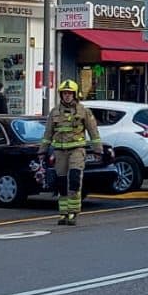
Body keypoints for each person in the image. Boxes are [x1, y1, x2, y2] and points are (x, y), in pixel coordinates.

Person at [42, 80, 103, 226]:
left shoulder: (83, 111)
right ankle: (63, 213)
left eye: (70, 93)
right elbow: (48, 133)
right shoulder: (54, 112)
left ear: (75, 95)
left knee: (75, 180)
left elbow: (93, 132)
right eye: (65, 93)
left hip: (77, 150)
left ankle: (73, 212)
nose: (67, 96)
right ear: (61, 95)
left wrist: (98, 150)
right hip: (60, 152)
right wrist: (42, 151)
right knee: (61, 183)